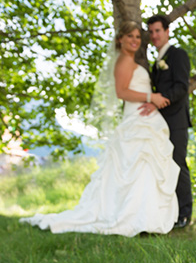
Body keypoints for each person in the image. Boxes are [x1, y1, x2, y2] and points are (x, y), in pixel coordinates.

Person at [20, 21, 180, 236]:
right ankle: (134, 217)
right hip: (136, 119)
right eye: (130, 36)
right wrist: (152, 97)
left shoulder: (131, 61)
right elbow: (122, 92)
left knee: (145, 166)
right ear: (119, 39)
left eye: (137, 37)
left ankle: (145, 217)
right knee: (136, 164)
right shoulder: (124, 61)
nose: (134, 40)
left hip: (144, 120)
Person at [140, 14, 193, 229]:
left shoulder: (178, 55)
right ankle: (168, 212)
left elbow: (181, 87)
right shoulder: (156, 63)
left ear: (167, 31)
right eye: (151, 32)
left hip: (176, 121)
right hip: (159, 123)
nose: (154, 36)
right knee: (162, 166)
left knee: (178, 164)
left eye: (157, 31)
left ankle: (185, 214)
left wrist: (158, 102)